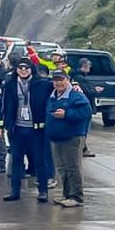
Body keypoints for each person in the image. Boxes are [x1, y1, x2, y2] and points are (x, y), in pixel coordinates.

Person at [0, 59, 53, 202]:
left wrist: (76, 85)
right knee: (16, 161)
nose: (23, 70)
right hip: (17, 129)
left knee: (40, 161)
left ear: (31, 69)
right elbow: (2, 105)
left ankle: (43, 191)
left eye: (26, 68)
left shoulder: (42, 84)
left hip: (36, 130)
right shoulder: (9, 85)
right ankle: (15, 191)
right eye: (20, 68)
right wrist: (0, 124)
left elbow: (60, 84)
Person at [46, 69, 92, 207]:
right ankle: (67, 194)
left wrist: (67, 114)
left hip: (72, 137)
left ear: (68, 80)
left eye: (61, 79)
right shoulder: (53, 95)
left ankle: (76, 197)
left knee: (73, 167)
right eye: (55, 80)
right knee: (62, 168)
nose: (58, 83)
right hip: (56, 137)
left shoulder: (76, 96)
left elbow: (86, 111)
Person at [71, 57, 98, 157]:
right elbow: (88, 91)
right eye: (88, 67)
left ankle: (82, 148)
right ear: (84, 66)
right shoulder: (79, 78)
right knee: (84, 130)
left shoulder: (76, 76)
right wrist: (95, 90)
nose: (89, 69)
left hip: (82, 107)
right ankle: (82, 149)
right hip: (84, 108)